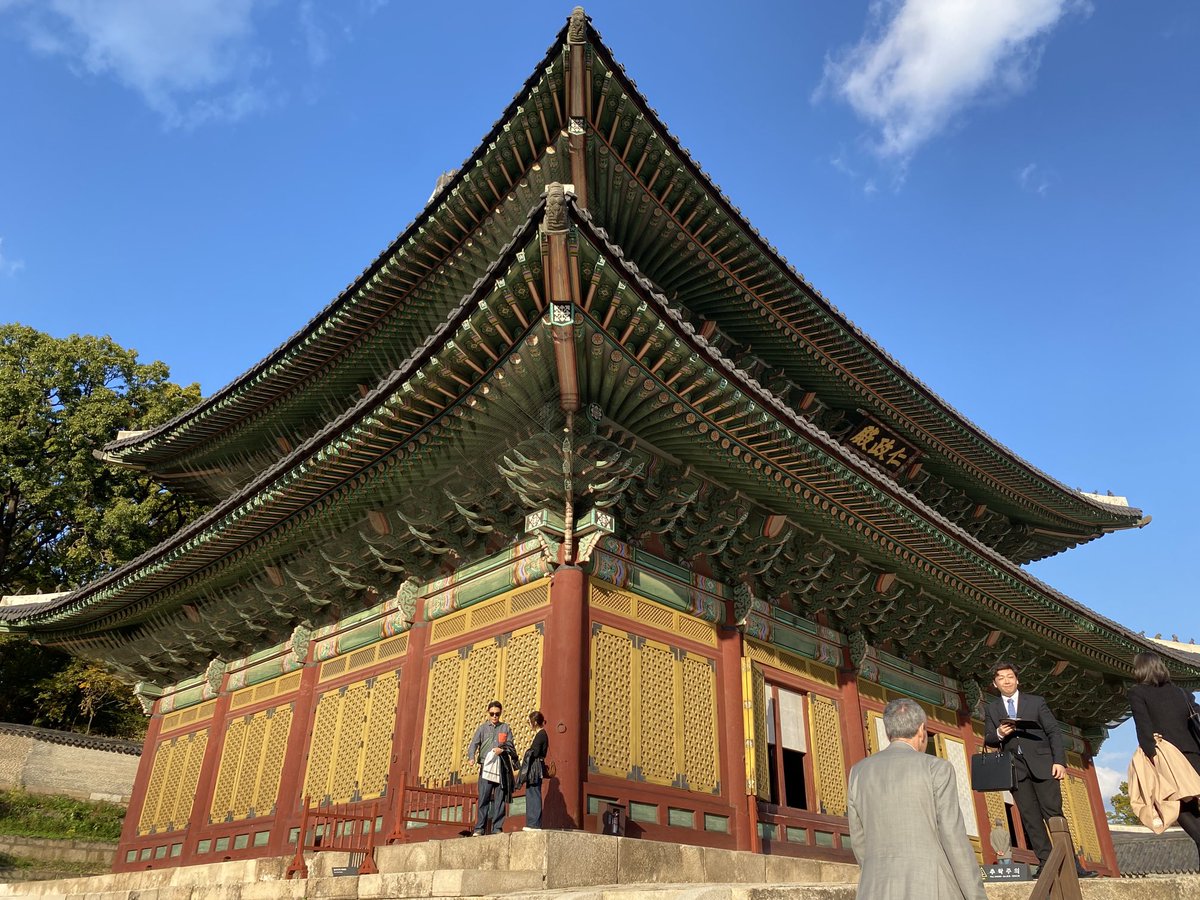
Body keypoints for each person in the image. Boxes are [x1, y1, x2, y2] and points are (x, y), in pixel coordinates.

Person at [847, 697, 987, 900]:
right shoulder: (937, 768)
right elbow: (952, 836)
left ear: (888, 732)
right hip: (931, 885)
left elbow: (858, 839)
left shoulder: (858, 772)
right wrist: (976, 896)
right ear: (922, 730)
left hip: (875, 887)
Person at [983, 661, 1095, 876]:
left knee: (1053, 814)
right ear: (995, 684)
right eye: (1001, 678)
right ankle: (1045, 862)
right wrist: (999, 733)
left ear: (1017, 680)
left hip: (1044, 766)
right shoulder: (992, 708)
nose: (1006, 681)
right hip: (1015, 769)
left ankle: (1072, 864)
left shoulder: (1036, 702)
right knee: (1030, 817)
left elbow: (1053, 731)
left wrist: (1059, 762)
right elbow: (989, 738)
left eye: (1010, 676)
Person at [1128, 650, 1200, 861]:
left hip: (1167, 760)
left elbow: (1144, 729)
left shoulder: (1137, 693)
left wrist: (1150, 755)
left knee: (1185, 814)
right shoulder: (1182, 693)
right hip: (1194, 757)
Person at [465, 700, 518, 835]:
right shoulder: (482, 728)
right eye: (492, 714)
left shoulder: (505, 728)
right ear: (488, 713)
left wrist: (503, 749)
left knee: (500, 798)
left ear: (500, 714)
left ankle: (497, 828)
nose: (495, 716)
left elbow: (511, 745)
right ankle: (479, 828)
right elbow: (473, 744)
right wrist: (471, 757)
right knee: (484, 797)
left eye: (497, 714)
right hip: (486, 766)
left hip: (500, 767)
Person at [519, 710, 549, 830]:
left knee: (534, 794)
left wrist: (527, 751)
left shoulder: (541, 735)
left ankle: (534, 823)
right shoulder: (541, 734)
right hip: (536, 766)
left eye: (530, 722)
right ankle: (532, 823)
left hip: (535, 767)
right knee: (532, 793)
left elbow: (535, 752)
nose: (529, 725)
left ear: (535, 722)